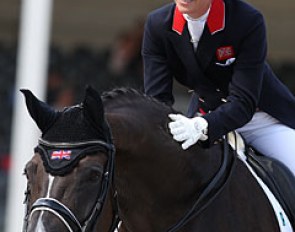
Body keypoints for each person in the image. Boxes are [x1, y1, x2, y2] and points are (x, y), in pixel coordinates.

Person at [142, 0, 295, 175]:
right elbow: (156, 103)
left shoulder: (246, 19)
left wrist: (203, 126)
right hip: (203, 114)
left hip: (259, 119)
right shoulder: (157, 25)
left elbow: (243, 102)